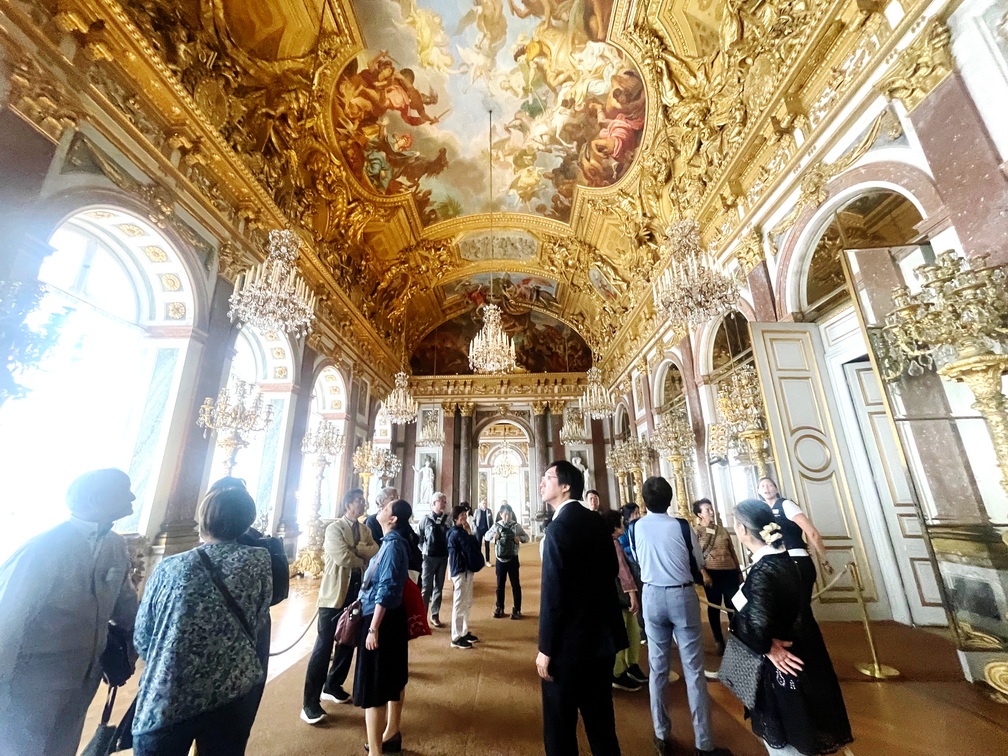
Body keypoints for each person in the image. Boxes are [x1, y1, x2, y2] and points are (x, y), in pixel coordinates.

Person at [0, 469, 139, 756]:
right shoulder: (43, 548)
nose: (133, 496)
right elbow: (8, 620)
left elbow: (126, 607)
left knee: (63, 748)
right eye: (123, 489)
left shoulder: (116, 545)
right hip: (33, 682)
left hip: (83, 678)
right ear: (94, 498)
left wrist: (136, 648)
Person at [132, 486, 272, 755]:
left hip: (170, 689)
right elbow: (258, 618)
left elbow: (143, 635)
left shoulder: (169, 567)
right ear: (247, 522)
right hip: (234, 684)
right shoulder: (258, 560)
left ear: (203, 518)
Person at [730, 500, 853, 756]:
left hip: (781, 665)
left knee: (787, 739)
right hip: (805, 651)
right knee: (803, 728)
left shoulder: (763, 571)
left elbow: (757, 626)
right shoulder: (790, 560)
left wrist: (766, 647)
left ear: (743, 530)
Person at [632, 476, 732, 756]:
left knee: (657, 668)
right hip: (681, 595)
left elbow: (638, 559)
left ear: (644, 501)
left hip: (652, 595)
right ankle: (704, 743)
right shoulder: (681, 526)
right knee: (694, 670)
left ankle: (662, 735)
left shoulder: (635, 526)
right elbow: (697, 561)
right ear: (670, 500)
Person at [537, 460, 627, 756]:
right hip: (601, 641)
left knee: (560, 731)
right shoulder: (597, 521)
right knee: (602, 726)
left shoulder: (558, 528)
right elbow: (612, 569)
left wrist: (546, 648)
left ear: (566, 486)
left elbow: (553, 596)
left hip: (568, 647)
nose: (542, 482)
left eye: (548, 477)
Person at [302, 488, 379, 724]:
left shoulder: (365, 529)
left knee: (347, 642)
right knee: (324, 646)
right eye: (359, 500)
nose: (363, 503)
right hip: (334, 596)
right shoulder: (334, 529)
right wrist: (361, 556)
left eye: (363, 500)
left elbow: (375, 550)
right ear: (348, 505)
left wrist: (357, 550)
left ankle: (333, 685)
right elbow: (342, 557)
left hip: (356, 595)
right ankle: (309, 703)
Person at [356, 498, 413, 756]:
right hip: (392, 617)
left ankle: (375, 752)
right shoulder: (394, 542)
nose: (380, 509)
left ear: (393, 519)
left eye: (386, 508)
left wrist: (373, 628)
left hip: (381, 619)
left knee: (375, 687)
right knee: (393, 678)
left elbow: (386, 589)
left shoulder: (391, 546)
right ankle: (392, 732)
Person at [757, 477, 833, 601]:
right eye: (763, 486)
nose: (766, 488)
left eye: (770, 485)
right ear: (758, 491)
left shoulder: (786, 504)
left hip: (796, 559)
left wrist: (824, 560)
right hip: (778, 562)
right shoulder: (762, 511)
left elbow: (812, 533)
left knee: (801, 606)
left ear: (776, 489)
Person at [602, 510, 646, 692]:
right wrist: (632, 594)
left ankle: (630, 665)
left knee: (631, 632)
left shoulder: (610, 542)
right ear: (614, 527)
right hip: (621, 595)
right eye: (621, 523)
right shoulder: (613, 544)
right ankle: (618, 671)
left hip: (617, 596)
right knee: (623, 633)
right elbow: (624, 572)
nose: (624, 525)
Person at [693, 498, 742, 656]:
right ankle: (718, 640)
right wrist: (703, 573)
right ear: (699, 514)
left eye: (711, 509)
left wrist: (738, 572)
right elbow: (695, 555)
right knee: (714, 606)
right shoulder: (696, 531)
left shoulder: (722, 530)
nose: (711, 512)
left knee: (733, 606)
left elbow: (732, 551)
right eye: (707, 510)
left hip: (729, 571)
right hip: (711, 573)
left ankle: (736, 638)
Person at [484, 502, 530, 619]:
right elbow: (486, 536)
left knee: (515, 584)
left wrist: (519, 538)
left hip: (513, 558)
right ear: (500, 514)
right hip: (500, 559)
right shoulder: (496, 526)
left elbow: (526, 538)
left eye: (509, 514)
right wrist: (494, 536)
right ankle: (499, 607)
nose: (507, 517)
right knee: (500, 585)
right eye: (505, 514)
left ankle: (517, 609)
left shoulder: (516, 526)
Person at [447, 504, 483, 649]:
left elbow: (474, 546)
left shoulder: (461, 531)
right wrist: (469, 533)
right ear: (455, 518)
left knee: (467, 602)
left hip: (466, 569)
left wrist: (469, 532)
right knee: (459, 603)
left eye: (465, 514)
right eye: (461, 515)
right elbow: (471, 547)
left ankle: (464, 631)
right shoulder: (456, 533)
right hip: (460, 569)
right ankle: (456, 637)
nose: (464, 517)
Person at [418, 491, 450, 627]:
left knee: (439, 587)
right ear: (434, 503)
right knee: (426, 587)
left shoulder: (448, 520)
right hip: (429, 558)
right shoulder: (425, 519)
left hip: (443, 557)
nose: (443, 504)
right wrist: (423, 550)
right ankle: (422, 615)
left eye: (445, 501)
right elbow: (419, 537)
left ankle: (435, 615)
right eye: (441, 501)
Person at [474, 498, 494, 565]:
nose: (484, 505)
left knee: (487, 546)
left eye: (485, 503)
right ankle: (478, 560)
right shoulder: (477, 511)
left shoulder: (489, 511)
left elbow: (491, 521)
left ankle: (487, 561)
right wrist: (475, 528)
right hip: (479, 530)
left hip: (487, 530)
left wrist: (491, 530)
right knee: (478, 545)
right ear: (480, 504)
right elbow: (474, 520)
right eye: (483, 503)